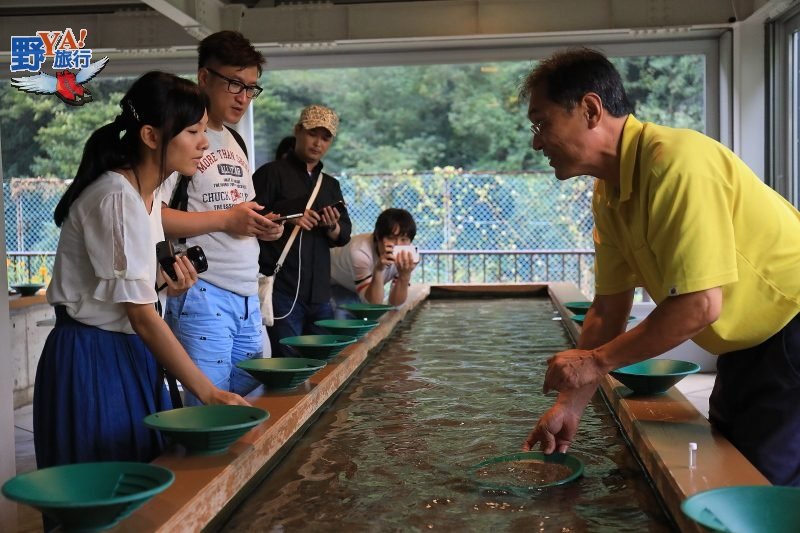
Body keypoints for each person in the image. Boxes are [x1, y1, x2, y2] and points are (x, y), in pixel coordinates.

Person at [519, 48, 800, 486]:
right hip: (747, 343)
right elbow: (608, 309)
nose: (537, 141)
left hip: (791, 328)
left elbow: (699, 306)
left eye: (542, 123)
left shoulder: (676, 162)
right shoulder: (608, 193)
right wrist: (569, 404)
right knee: (729, 465)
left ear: (590, 109)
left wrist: (595, 362)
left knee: (761, 485)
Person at [34, 71, 250, 473]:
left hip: (126, 351)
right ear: (151, 136)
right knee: (109, 479)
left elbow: (132, 296)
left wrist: (164, 285)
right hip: (94, 357)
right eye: (191, 131)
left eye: (203, 129)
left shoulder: (148, 195)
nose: (204, 142)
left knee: (141, 469)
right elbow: (141, 316)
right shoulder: (117, 196)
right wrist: (208, 391)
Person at [161, 31, 283, 405]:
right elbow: (152, 216)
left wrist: (264, 226)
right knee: (209, 411)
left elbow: (237, 210)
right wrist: (226, 221)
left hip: (247, 295)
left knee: (247, 403)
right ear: (203, 78)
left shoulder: (236, 141)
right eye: (234, 84)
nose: (243, 97)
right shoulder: (179, 139)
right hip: (202, 292)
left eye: (251, 88)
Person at [253, 104, 352, 357]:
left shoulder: (330, 185)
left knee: (324, 367)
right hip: (283, 290)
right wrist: (288, 218)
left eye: (325, 137)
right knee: (288, 364)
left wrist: (331, 225)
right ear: (298, 131)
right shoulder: (270, 174)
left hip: (320, 293)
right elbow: (250, 218)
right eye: (312, 133)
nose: (318, 143)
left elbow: (343, 235)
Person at [330, 208, 418, 317]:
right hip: (331, 280)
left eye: (404, 239)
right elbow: (372, 305)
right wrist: (379, 270)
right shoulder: (360, 252)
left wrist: (405, 275)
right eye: (391, 238)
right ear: (377, 236)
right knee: (345, 316)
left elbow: (395, 304)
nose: (397, 244)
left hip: (354, 285)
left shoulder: (408, 255)